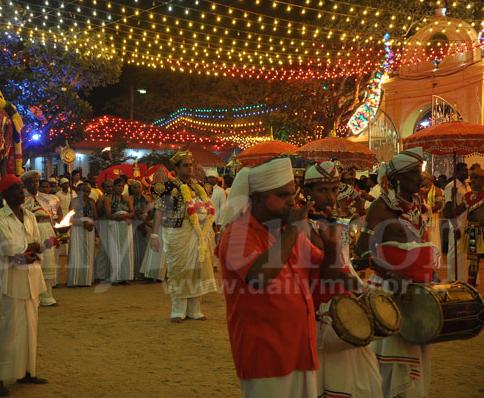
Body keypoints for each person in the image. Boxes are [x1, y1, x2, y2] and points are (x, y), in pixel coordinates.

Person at [217, 156, 340, 397]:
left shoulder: (287, 230)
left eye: (292, 194)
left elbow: (327, 276)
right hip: (265, 355)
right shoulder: (238, 233)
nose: (292, 202)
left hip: (302, 349)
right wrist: (294, 229)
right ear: (258, 199)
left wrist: (331, 244)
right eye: (282, 196)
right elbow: (259, 278)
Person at [355, 147, 435, 398]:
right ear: (398, 178)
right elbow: (361, 251)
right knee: (391, 368)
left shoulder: (418, 204)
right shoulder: (380, 207)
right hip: (388, 292)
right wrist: (391, 275)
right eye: (413, 173)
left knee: (415, 356)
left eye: (419, 173)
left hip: (415, 291)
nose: (420, 179)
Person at [303, 162, 382, 398]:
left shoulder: (334, 221)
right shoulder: (305, 225)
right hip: (321, 307)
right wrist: (361, 290)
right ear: (308, 192)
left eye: (334, 189)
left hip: (343, 301)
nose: (330, 196)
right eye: (322, 190)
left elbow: (342, 261)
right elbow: (329, 271)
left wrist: (361, 274)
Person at [0, 174, 48, 397]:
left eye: (21, 188)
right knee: (10, 328)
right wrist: (28, 248)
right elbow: (7, 248)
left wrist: (31, 250)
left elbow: (37, 244)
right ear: (4, 194)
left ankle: (27, 372)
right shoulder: (0, 217)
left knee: (31, 327)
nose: (21, 192)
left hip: (32, 275)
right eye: (15, 188)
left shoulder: (30, 216)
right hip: (13, 277)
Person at [151, 150, 217, 322]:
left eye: (191, 165)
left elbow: (207, 209)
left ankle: (195, 309)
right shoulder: (168, 187)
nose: (190, 168)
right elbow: (159, 211)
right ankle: (178, 310)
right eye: (186, 165)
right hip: (177, 232)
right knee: (178, 270)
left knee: (197, 269)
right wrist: (154, 235)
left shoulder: (199, 187)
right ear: (177, 168)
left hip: (199, 232)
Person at [20, 170, 62, 307]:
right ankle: (34, 297)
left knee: (48, 262)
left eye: (37, 181)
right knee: (34, 264)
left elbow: (54, 218)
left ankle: (47, 296)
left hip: (47, 231)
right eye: (32, 181)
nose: (35, 184)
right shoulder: (21, 200)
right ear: (25, 184)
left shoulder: (48, 199)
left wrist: (57, 234)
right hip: (31, 233)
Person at [104, 178, 135, 284]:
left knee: (126, 250)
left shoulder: (127, 199)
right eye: (118, 186)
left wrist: (124, 215)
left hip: (126, 227)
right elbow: (108, 214)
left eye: (122, 186)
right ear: (114, 187)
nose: (120, 188)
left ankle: (125, 276)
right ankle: (116, 277)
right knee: (114, 251)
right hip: (114, 226)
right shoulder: (108, 199)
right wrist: (122, 217)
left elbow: (132, 213)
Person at [67, 182, 97, 287]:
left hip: (89, 230)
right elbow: (70, 219)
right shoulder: (74, 202)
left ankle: (86, 279)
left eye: (88, 191)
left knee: (88, 253)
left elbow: (96, 216)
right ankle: (75, 279)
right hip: (77, 229)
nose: (86, 193)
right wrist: (82, 224)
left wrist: (91, 224)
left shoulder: (92, 201)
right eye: (84, 191)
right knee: (77, 252)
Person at [443, 162, 469, 282]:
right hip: (457, 224)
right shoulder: (451, 186)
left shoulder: (467, 186)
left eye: (466, 170)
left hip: (467, 223)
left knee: (464, 255)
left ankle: (463, 280)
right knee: (455, 253)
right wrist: (454, 227)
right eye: (463, 171)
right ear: (456, 172)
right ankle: (453, 279)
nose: (466, 173)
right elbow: (448, 211)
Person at [461, 166, 484, 286]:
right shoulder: (467, 196)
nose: (473, 180)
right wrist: (452, 199)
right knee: (473, 263)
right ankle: (471, 287)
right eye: (472, 178)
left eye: (476, 178)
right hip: (473, 232)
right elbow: (455, 212)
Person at [130, 180, 150, 280]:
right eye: (135, 187)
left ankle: (145, 272)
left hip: (146, 224)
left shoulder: (147, 198)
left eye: (139, 187)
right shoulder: (130, 199)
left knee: (146, 248)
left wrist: (145, 222)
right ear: (131, 189)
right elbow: (132, 212)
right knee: (135, 249)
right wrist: (140, 223)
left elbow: (151, 212)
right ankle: (136, 273)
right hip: (135, 225)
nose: (137, 189)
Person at [94, 179, 114, 282]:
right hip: (105, 224)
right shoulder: (102, 199)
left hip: (115, 226)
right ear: (104, 188)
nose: (110, 188)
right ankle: (100, 274)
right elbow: (98, 213)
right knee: (104, 248)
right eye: (108, 187)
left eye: (112, 186)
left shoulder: (117, 198)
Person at [421, 171, 444, 251]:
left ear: (429, 179)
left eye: (424, 179)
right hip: (423, 217)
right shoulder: (421, 190)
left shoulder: (437, 190)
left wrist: (427, 210)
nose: (422, 181)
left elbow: (439, 205)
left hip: (433, 217)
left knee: (433, 237)